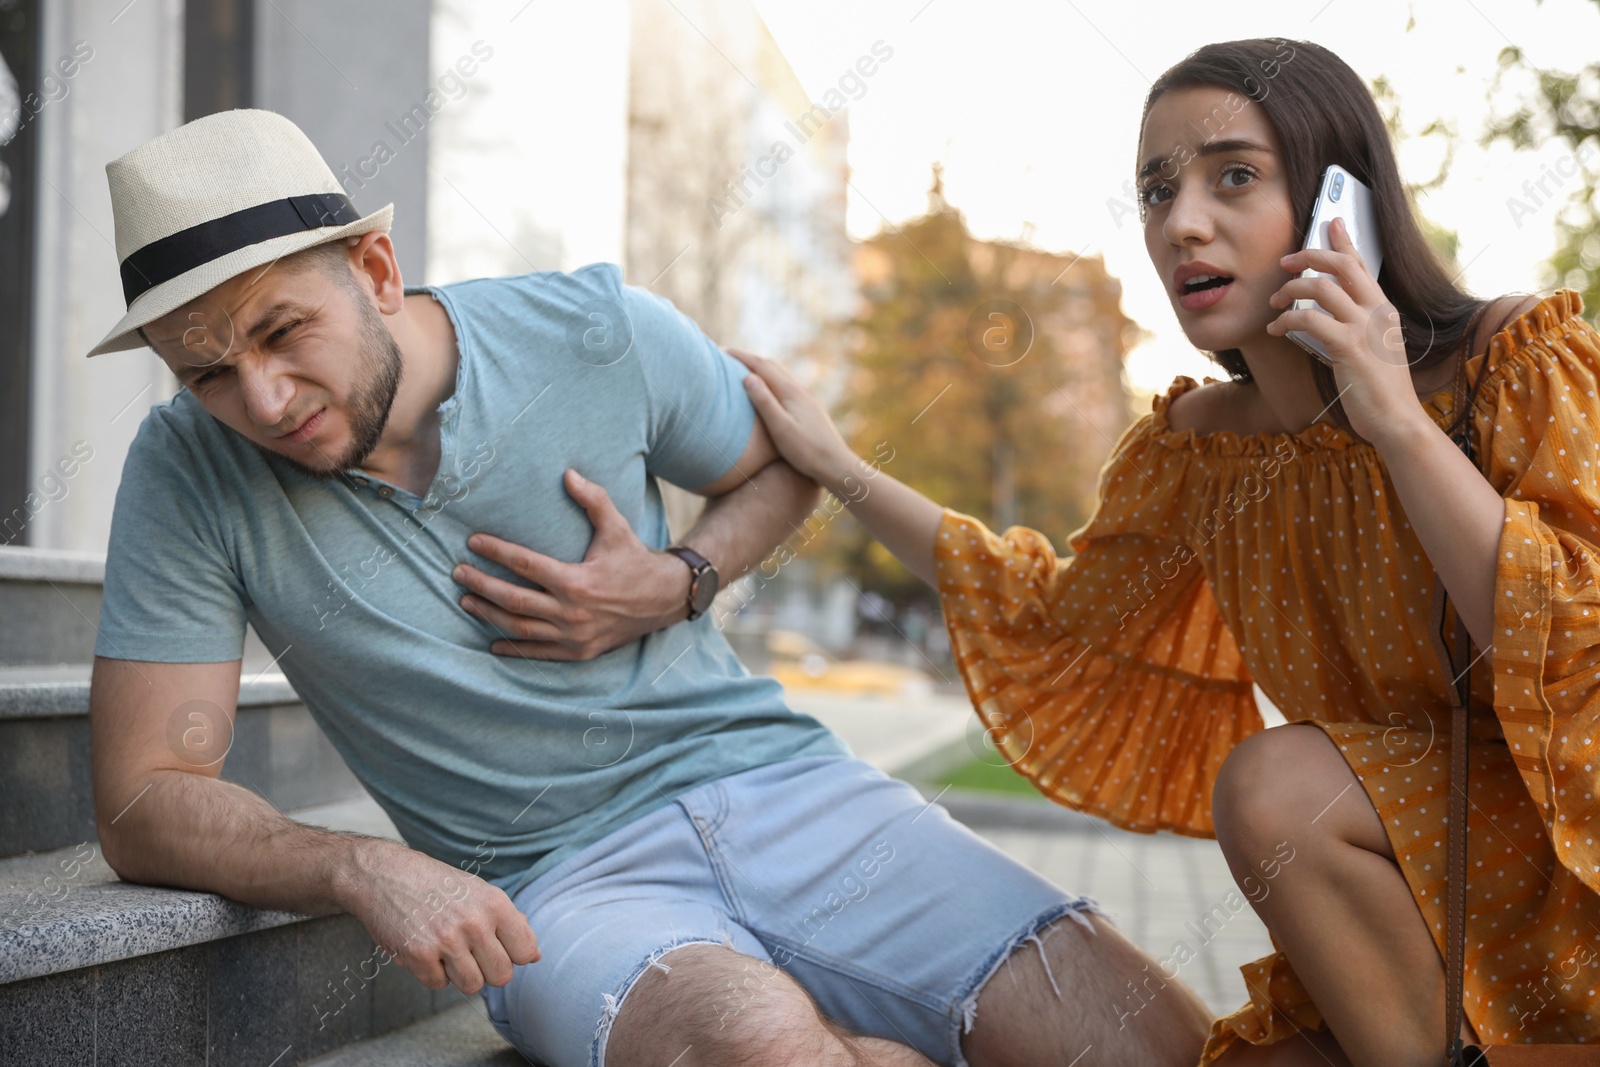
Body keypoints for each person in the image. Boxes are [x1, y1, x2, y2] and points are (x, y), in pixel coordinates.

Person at [85, 108, 1213, 1067]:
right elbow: (143, 797)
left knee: (1149, 1038)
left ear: (376, 272)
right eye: (208, 371)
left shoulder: (592, 331)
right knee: (758, 1044)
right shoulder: (187, 467)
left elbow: (777, 464)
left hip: (789, 788)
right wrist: (358, 862)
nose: (267, 400)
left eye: (284, 332)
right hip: (563, 887)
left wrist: (677, 580)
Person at [735, 37, 1600, 1067]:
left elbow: (1569, 644)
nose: (1181, 221)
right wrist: (840, 466)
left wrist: (1397, 420)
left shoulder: (1510, 362)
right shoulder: (1201, 454)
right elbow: (1047, 608)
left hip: (1563, 863)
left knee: (1273, 783)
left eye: (1234, 175)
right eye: (1156, 190)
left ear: (1340, 203)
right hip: (1400, 900)